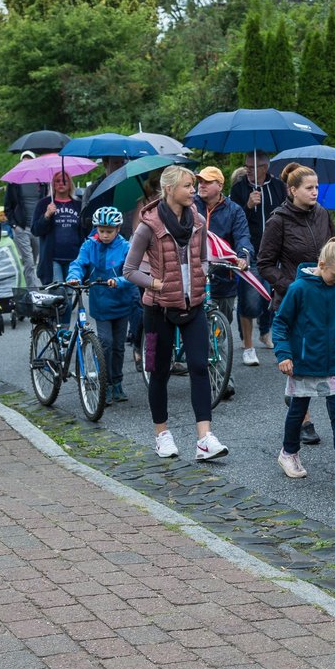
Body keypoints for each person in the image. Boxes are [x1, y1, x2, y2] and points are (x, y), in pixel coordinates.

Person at [123, 165, 228, 462]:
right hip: (157, 309)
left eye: (193, 185)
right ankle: (162, 435)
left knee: (199, 366)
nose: (193, 190)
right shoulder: (148, 225)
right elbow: (129, 270)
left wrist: (201, 274)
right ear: (169, 189)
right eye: (187, 186)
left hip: (192, 305)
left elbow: (204, 258)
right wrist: (154, 283)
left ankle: (204, 439)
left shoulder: (196, 221)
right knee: (159, 371)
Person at [272, 237, 335, 488]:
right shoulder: (298, 289)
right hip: (303, 363)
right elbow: (281, 323)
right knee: (297, 410)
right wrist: (284, 355)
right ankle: (288, 453)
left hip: (333, 363)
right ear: (322, 264)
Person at [258, 162, 335, 446]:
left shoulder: (323, 214)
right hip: (291, 300)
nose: (315, 192)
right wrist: (292, 288)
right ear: (292, 190)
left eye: (317, 187)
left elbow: (332, 248)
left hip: (322, 297)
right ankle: (304, 419)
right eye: (309, 188)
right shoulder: (278, 220)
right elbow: (264, 264)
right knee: (299, 361)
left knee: (317, 357)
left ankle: (295, 397)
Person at [67, 206, 136, 404]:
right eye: (101, 230)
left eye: (109, 231)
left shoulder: (125, 247)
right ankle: (103, 383)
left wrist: (120, 281)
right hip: (100, 304)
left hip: (122, 304)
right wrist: (74, 277)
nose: (104, 235)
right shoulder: (89, 245)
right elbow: (78, 264)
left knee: (119, 346)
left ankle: (117, 382)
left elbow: (132, 272)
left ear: (118, 229)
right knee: (105, 342)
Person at [195, 166, 253, 387]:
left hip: (223, 277)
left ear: (220, 185)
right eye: (199, 181)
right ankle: (219, 377)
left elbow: (243, 237)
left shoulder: (234, 210)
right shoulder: (190, 206)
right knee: (198, 328)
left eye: (207, 181)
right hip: (194, 276)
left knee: (219, 329)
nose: (201, 185)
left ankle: (217, 371)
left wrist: (243, 257)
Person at [230, 151, 288, 360]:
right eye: (246, 166)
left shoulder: (279, 187)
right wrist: (248, 205)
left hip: (275, 252)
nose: (247, 169)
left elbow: (286, 213)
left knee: (272, 296)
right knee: (249, 299)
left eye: (252, 166)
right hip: (251, 251)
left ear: (265, 168)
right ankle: (248, 347)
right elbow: (233, 220)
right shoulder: (239, 189)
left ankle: (265, 332)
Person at [32, 170, 82, 326]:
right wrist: (47, 215)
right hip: (53, 258)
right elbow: (36, 230)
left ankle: (59, 328)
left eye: (64, 180)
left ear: (70, 183)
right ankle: (62, 330)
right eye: (57, 181)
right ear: (52, 184)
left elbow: (85, 230)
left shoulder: (78, 204)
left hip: (74, 258)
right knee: (59, 294)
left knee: (68, 294)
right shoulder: (44, 204)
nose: (61, 183)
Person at [4, 150, 44, 290]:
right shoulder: (14, 182)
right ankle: (34, 292)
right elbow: (8, 206)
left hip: (37, 227)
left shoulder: (42, 181)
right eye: (23, 161)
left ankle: (38, 287)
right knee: (28, 261)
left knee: (37, 260)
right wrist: (14, 225)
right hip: (21, 227)